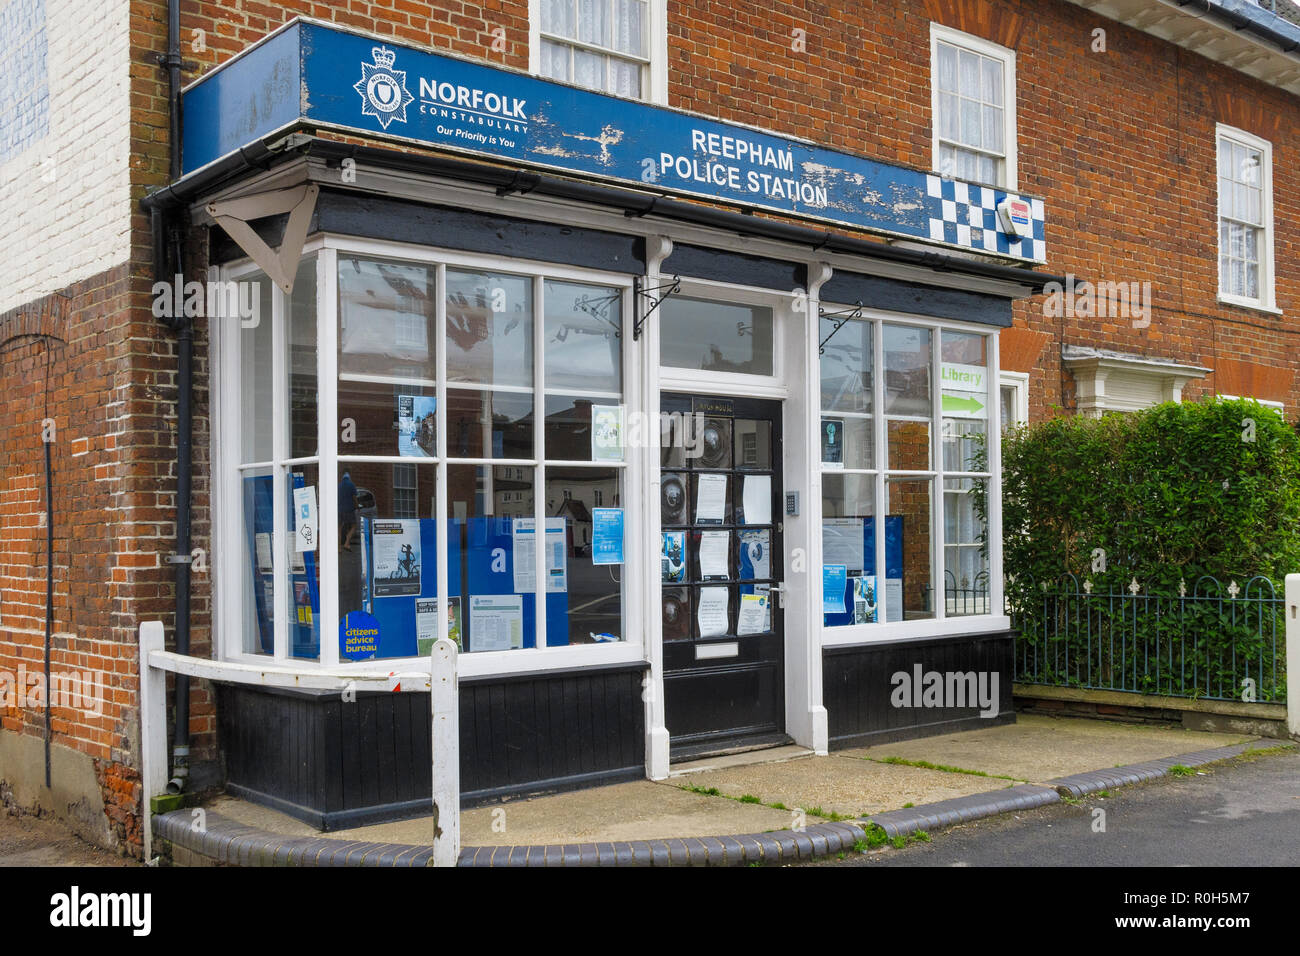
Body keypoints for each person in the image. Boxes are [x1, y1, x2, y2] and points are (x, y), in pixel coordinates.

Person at [339, 472, 358, 551]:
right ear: (349, 477)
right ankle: (347, 543)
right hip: (349, 510)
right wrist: (357, 506)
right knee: (354, 526)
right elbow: (354, 498)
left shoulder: (338, 486)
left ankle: (338, 548)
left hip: (339, 510)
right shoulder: (351, 485)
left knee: (339, 529)